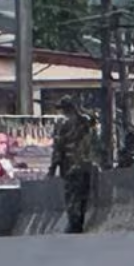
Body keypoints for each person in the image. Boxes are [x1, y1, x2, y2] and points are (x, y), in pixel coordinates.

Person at [48, 97, 97, 233]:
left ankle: (74, 223)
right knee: (83, 195)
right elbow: (94, 134)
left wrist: (52, 168)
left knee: (72, 196)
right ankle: (79, 221)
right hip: (85, 165)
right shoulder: (85, 122)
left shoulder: (62, 125)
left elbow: (58, 148)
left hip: (70, 166)